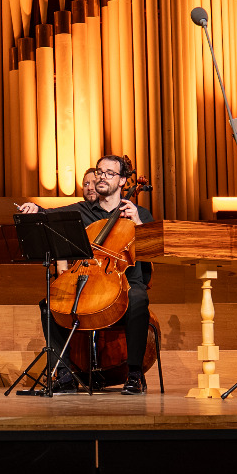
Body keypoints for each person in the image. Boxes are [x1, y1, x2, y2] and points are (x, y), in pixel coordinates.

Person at [17, 153, 157, 395]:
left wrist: (138, 223)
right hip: (89, 281)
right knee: (49, 303)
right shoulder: (83, 211)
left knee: (138, 299)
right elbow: (52, 215)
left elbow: (154, 250)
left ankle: (134, 375)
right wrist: (35, 209)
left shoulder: (139, 213)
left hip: (124, 282)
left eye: (109, 173)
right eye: (100, 172)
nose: (102, 177)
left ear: (123, 181)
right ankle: (64, 374)